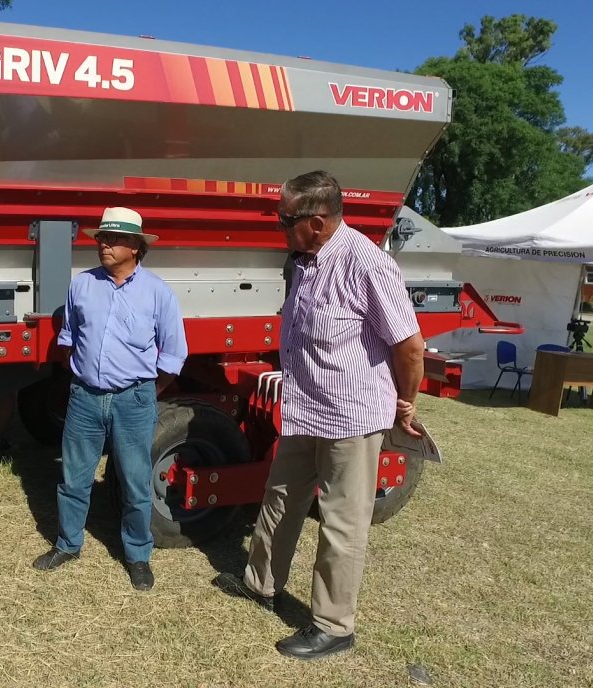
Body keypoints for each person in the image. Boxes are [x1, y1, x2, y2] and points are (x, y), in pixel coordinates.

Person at [213, 171, 424, 660]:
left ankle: (333, 625)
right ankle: (260, 583)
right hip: (306, 407)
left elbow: (410, 347)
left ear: (315, 222)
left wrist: (406, 403)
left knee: (342, 521)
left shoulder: (367, 264)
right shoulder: (305, 260)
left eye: (284, 219)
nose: (278, 227)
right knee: (281, 495)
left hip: (352, 417)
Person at [31, 206, 187, 591]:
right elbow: (68, 339)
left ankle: (137, 555)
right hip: (85, 398)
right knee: (74, 477)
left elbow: (173, 354)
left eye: (114, 239)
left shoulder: (157, 293)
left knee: (135, 483)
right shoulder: (82, 285)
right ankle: (68, 544)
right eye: (102, 237)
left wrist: (148, 394)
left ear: (135, 246)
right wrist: (83, 378)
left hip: (132, 401)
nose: (104, 244)